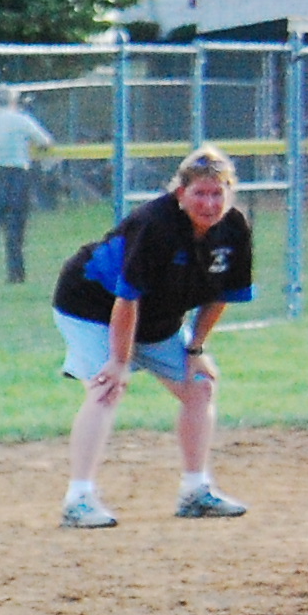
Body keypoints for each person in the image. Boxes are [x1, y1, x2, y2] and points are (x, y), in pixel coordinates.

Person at [54, 145, 252, 529]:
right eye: (199, 192)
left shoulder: (234, 229)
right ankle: (78, 499)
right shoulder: (156, 224)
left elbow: (221, 294)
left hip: (157, 317)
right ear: (180, 193)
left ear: (230, 193)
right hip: (91, 303)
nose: (209, 203)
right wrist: (119, 361)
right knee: (107, 388)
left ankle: (195, 492)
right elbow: (126, 299)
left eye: (218, 193)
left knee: (200, 384)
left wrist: (195, 348)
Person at [0, 85, 56, 287]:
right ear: (12, 101)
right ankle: (15, 273)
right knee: (15, 227)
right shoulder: (21, 119)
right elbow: (45, 141)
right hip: (16, 175)